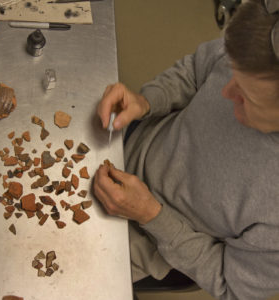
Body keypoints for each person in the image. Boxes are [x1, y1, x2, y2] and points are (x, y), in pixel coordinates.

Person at [93, 0, 279, 299]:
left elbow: (229, 284)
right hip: (131, 142)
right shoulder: (262, 43)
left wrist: (151, 216)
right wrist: (148, 102)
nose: (224, 92)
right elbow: (197, 71)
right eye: (231, 71)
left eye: (244, 96)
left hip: (147, 241)